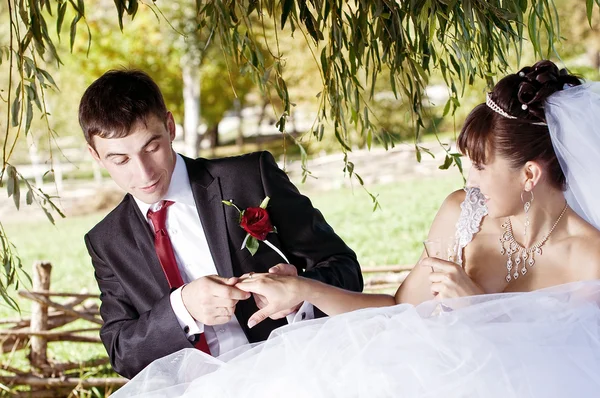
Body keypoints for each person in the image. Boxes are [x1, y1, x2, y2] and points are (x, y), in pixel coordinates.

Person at [113, 60, 600, 397]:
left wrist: (476, 311)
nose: (467, 178)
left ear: (530, 175)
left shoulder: (590, 262)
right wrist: (301, 288)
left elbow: (568, 370)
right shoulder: (462, 213)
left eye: (478, 165)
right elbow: (391, 310)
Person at [79, 70, 363, 379]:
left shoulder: (249, 178)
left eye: (152, 148)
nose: (144, 173)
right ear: (95, 155)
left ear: (170, 127)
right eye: (120, 160)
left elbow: (346, 270)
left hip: (296, 373)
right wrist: (181, 308)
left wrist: (299, 293)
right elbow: (122, 353)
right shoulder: (107, 241)